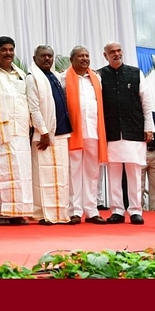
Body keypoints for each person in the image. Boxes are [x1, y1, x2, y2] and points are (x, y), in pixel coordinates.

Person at [98, 41, 155, 225]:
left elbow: (146, 103)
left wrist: (149, 128)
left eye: (118, 50)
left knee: (134, 172)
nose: (116, 54)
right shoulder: (100, 76)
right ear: (105, 55)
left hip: (134, 130)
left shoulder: (135, 73)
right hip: (111, 132)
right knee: (114, 173)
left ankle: (136, 210)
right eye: (112, 52)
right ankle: (117, 211)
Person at [0, 36, 33, 226]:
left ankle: (20, 212)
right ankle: (2, 213)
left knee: (22, 172)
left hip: (20, 131)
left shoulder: (21, 74)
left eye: (11, 49)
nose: (8, 53)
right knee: (1, 172)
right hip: (0, 131)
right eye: (3, 50)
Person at [59, 46, 108, 225]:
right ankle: (75, 211)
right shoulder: (63, 77)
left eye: (87, 55)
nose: (85, 59)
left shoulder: (96, 78)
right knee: (74, 171)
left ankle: (92, 210)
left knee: (92, 172)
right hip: (74, 132)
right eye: (80, 56)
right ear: (72, 59)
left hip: (93, 131)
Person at [25, 45, 72, 225]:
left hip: (61, 133)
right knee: (43, 177)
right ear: (35, 57)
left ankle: (60, 214)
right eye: (43, 56)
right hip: (43, 135)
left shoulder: (54, 76)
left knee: (60, 177)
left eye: (50, 56)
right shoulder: (32, 78)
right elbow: (33, 107)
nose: (47, 59)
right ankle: (44, 214)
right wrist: (44, 132)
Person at [142, 112, 155, 210]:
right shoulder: (137, 116)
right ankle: (139, 210)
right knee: (139, 185)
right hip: (142, 152)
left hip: (154, 153)